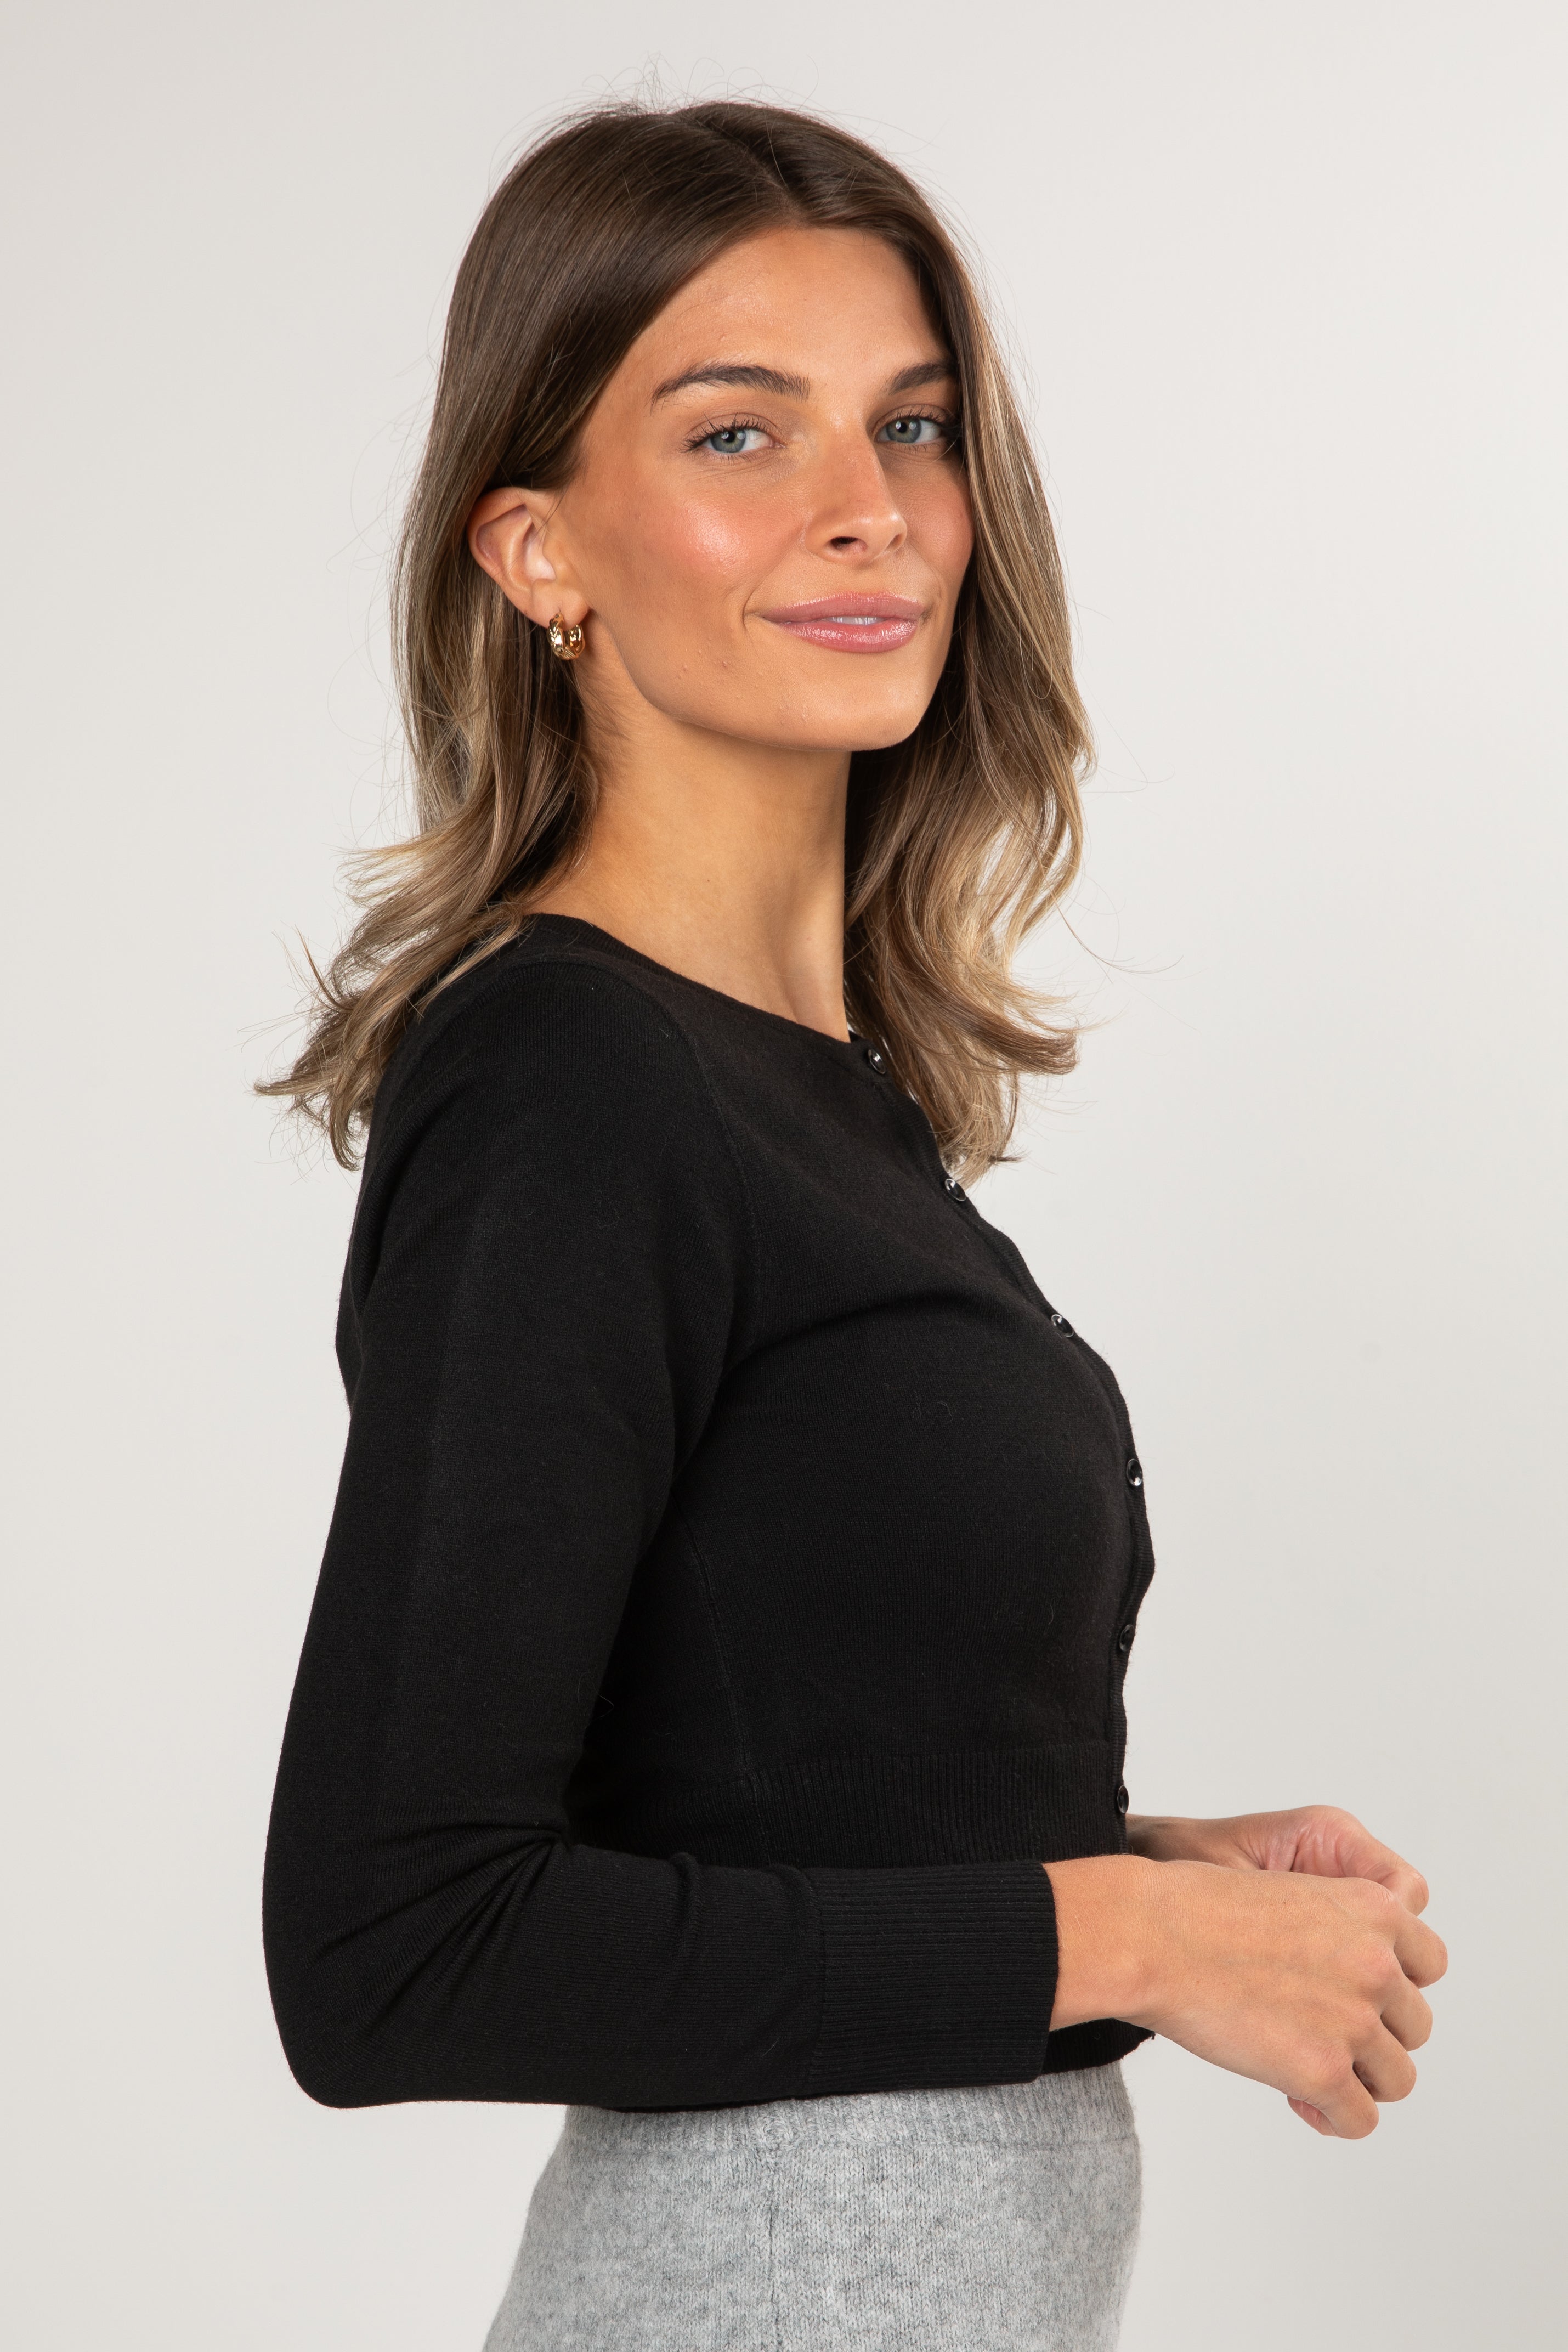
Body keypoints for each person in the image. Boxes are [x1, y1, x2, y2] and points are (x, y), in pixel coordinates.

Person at [259, 98, 1447, 2352]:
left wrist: (1163, 1867)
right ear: (540, 552)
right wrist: (1125, 1938)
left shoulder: (811, 1098)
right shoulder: (571, 1087)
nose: (865, 509)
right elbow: (391, 1943)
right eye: (736, 433)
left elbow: (738, 1780)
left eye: (909, 422)